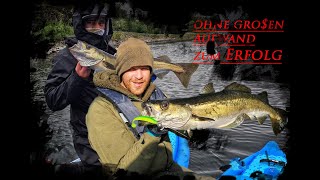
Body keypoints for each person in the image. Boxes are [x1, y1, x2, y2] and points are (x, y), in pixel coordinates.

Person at [86, 37, 215, 180]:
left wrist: (197, 131)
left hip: (170, 169)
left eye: (144, 68)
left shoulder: (157, 96)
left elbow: (181, 131)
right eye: (132, 69)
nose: (139, 76)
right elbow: (121, 173)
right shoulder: (101, 110)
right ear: (120, 71)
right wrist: (152, 135)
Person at [44, 1, 116, 177]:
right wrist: (77, 78)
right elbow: (52, 99)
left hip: (117, 131)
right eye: (91, 23)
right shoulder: (68, 56)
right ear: (81, 24)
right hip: (88, 138)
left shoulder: (113, 54)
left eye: (101, 23)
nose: (97, 28)